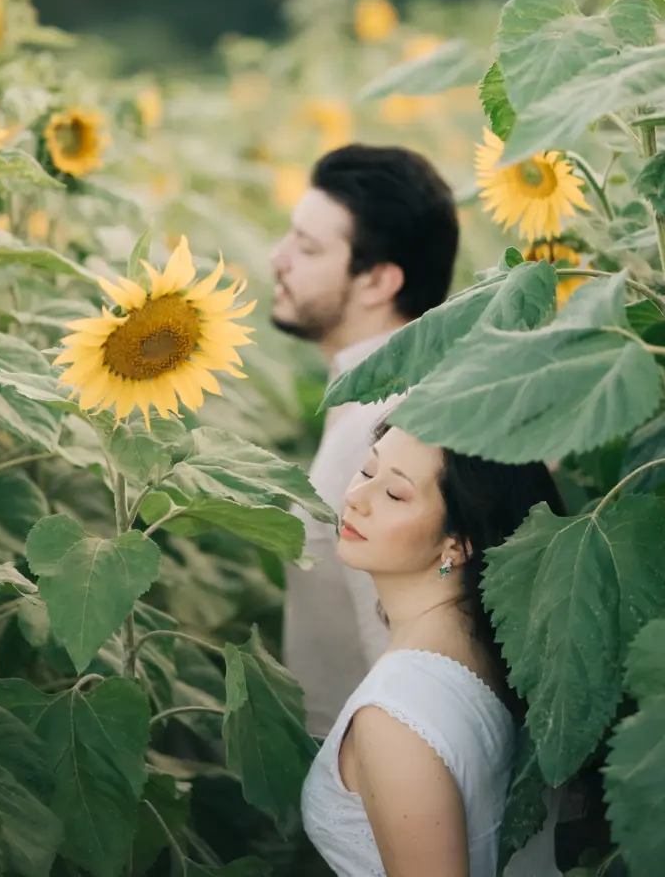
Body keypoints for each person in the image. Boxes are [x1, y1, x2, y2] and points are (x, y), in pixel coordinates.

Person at [301, 423, 565, 877]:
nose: (357, 498)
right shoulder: (496, 652)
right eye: (367, 470)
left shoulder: (394, 718)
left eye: (396, 495)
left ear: (457, 545)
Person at [270, 143, 459, 737]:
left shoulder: (389, 434)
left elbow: (405, 655)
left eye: (307, 248)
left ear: (378, 280)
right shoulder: (391, 398)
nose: (279, 259)